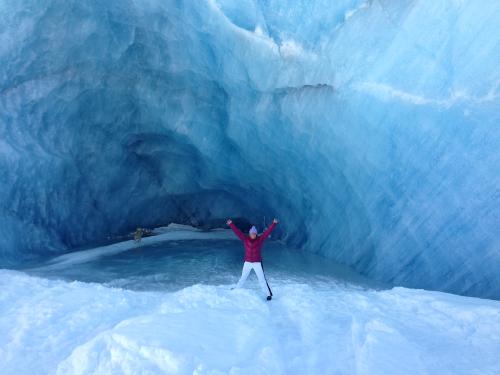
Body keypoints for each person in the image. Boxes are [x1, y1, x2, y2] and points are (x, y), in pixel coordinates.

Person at [227, 218, 278, 301]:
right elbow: (237, 232)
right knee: (243, 277)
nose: (253, 235)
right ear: (249, 234)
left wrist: (274, 224)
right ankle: (237, 289)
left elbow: (267, 232)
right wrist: (231, 224)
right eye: (252, 233)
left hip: (257, 263)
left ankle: (268, 294)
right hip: (247, 262)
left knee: (261, 279)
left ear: (256, 234)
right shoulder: (245, 239)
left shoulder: (260, 239)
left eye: (254, 234)